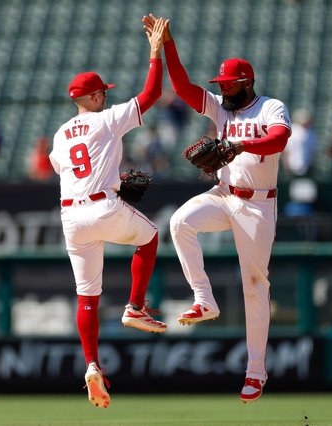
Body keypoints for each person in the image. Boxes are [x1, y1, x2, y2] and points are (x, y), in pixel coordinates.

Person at [143, 14, 292, 403]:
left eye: (228, 84)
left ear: (247, 82)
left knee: (255, 287)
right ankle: (203, 298)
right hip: (224, 194)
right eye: (220, 85)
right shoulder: (221, 108)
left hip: (259, 206)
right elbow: (182, 87)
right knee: (179, 222)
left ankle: (256, 372)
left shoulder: (270, 107)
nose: (222, 89)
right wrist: (168, 45)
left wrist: (243, 146)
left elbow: (278, 140)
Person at [49, 18, 168, 409]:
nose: (105, 96)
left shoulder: (60, 134)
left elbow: (63, 169)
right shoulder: (107, 119)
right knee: (150, 236)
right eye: (104, 92)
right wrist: (155, 51)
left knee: (87, 297)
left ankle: (91, 365)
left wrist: (112, 179)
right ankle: (135, 306)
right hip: (102, 206)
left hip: (71, 217)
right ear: (97, 96)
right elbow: (152, 94)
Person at [282, 109, 318, 177]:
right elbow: (286, 150)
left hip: (307, 167)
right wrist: (286, 166)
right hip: (293, 167)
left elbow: (313, 151)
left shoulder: (311, 133)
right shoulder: (292, 130)